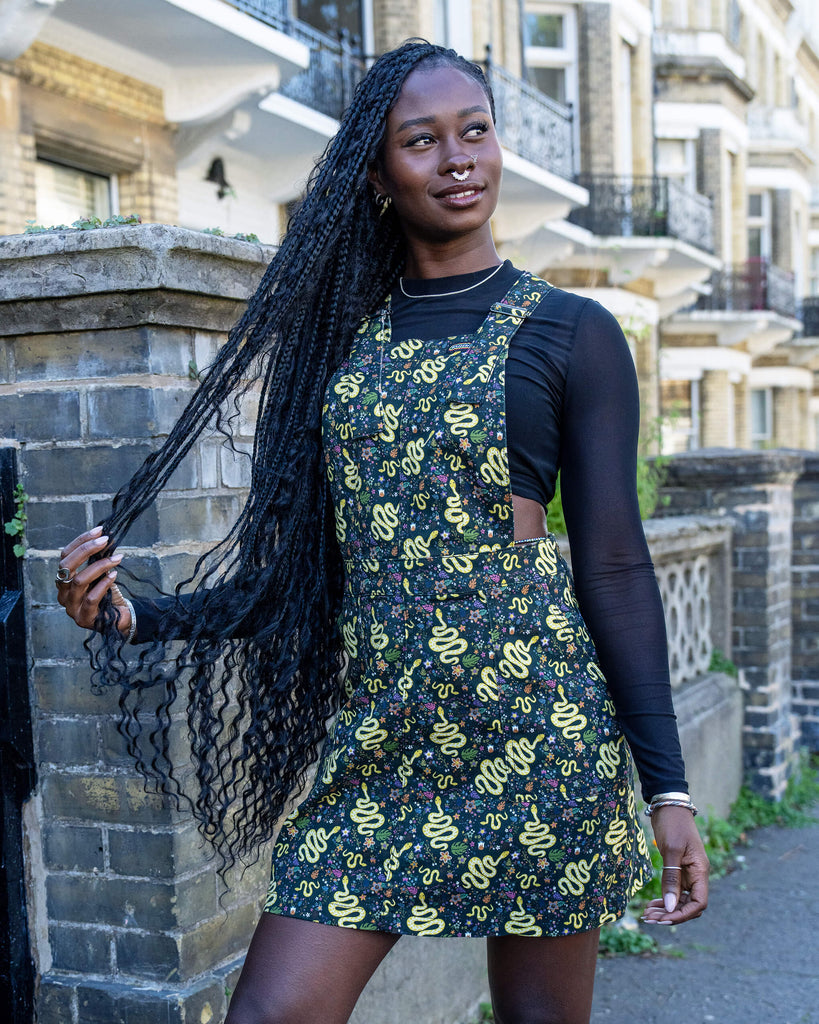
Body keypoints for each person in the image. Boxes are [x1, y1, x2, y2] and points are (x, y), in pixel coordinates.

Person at [55, 40, 708, 1024]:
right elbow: (297, 577)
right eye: (423, 140)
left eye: (475, 131)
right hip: (382, 746)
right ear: (375, 174)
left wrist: (669, 789)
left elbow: (614, 564)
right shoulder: (342, 347)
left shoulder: (572, 333)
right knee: (272, 1012)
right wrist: (134, 616)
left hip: (536, 734)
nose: (459, 159)